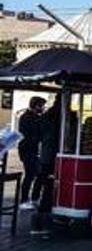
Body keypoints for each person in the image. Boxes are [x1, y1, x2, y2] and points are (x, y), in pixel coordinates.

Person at [29, 96, 61, 236]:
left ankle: (38, 205)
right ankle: (43, 221)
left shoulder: (45, 116)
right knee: (48, 184)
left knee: (44, 180)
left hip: (46, 154)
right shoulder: (59, 115)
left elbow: (39, 134)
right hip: (53, 154)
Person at [18, 96, 47, 210]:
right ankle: (24, 200)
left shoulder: (31, 117)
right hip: (28, 151)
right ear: (36, 106)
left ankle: (34, 198)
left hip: (31, 150)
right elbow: (34, 135)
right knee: (30, 175)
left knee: (37, 174)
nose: (43, 108)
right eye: (41, 106)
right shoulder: (28, 117)